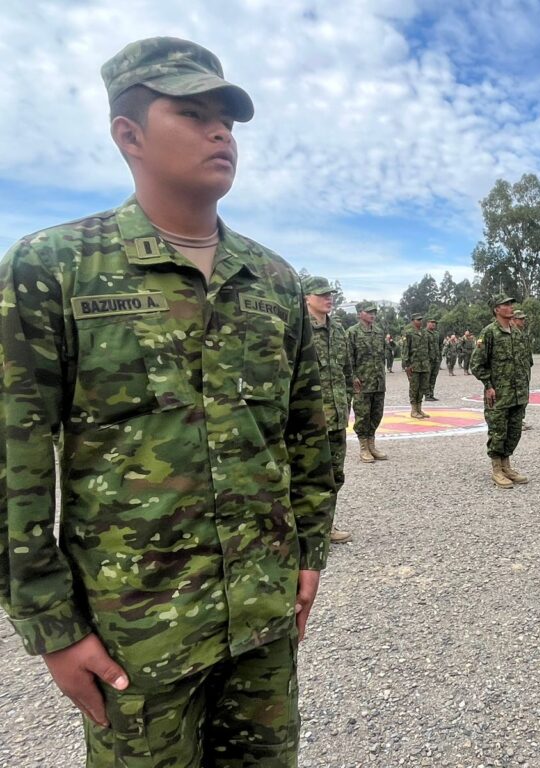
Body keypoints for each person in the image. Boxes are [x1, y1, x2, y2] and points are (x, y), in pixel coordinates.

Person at [0, 38, 335, 766]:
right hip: (136, 637)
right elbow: (15, 461)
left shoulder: (272, 281)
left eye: (228, 120)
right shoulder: (54, 269)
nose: (221, 132)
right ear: (129, 134)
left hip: (262, 624)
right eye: (193, 113)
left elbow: (311, 434)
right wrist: (51, 624)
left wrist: (309, 554)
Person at [306, 277, 355, 543]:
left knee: (335, 476)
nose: (329, 298)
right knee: (309, 477)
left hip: (336, 418)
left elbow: (345, 371)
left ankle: (326, 527)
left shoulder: (337, 330)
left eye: (330, 294)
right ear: (306, 298)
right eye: (322, 294)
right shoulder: (298, 330)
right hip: (310, 421)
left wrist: (346, 402)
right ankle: (307, 532)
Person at [471, 296, 531, 489]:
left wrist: (525, 387)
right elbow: (477, 364)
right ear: (496, 309)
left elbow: (525, 363)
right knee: (498, 432)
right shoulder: (489, 333)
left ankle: (507, 466)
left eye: (511, 304)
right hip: (499, 394)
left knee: (514, 432)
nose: (510, 307)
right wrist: (488, 385)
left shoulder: (517, 333)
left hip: (518, 393)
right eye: (506, 304)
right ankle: (497, 469)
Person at [348, 301, 389, 463]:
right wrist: (353, 377)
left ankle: (372, 444)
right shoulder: (352, 332)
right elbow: (348, 357)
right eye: (369, 312)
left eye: (374, 312)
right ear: (360, 314)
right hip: (362, 382)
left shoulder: (379, 332)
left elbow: (382, 355)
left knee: (376, 414)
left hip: (378, 381)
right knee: (362, 415)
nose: (373, 314)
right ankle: (363, 447)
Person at [403, 313, 431, 418]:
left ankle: (420, 409)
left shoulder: (425, 333)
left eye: (421, 320)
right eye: (417, 320)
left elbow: (428, 348)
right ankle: (413, 410)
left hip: (424, 365)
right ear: (412, 321)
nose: (420, 321)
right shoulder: (409, 333)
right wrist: (407, 365)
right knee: (414, 387)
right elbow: (405, 350)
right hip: (414, 365)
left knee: (422, 387)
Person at [512, 310, 535, 430]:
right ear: (514, 320)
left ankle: (520, 419)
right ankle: (516, 422)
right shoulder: (511, 334)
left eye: (523, 319)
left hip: (525, 370)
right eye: (521, 319)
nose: (523, 321)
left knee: (524, 396)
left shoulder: (523, 334)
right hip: (516, 371)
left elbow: (527, 351)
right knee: (517, 396)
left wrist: (529, 364)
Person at [424, 318, 442, 401]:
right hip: (428, 359)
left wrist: (440, 356)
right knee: (427, 377)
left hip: (436, 359)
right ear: (427, 323)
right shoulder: (424, 333)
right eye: (432, 322)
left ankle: (431, 394)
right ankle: (427, 395)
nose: (434, 324)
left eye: (435, 323)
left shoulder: (437, 334)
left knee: (433, 377)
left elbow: (439, 346)